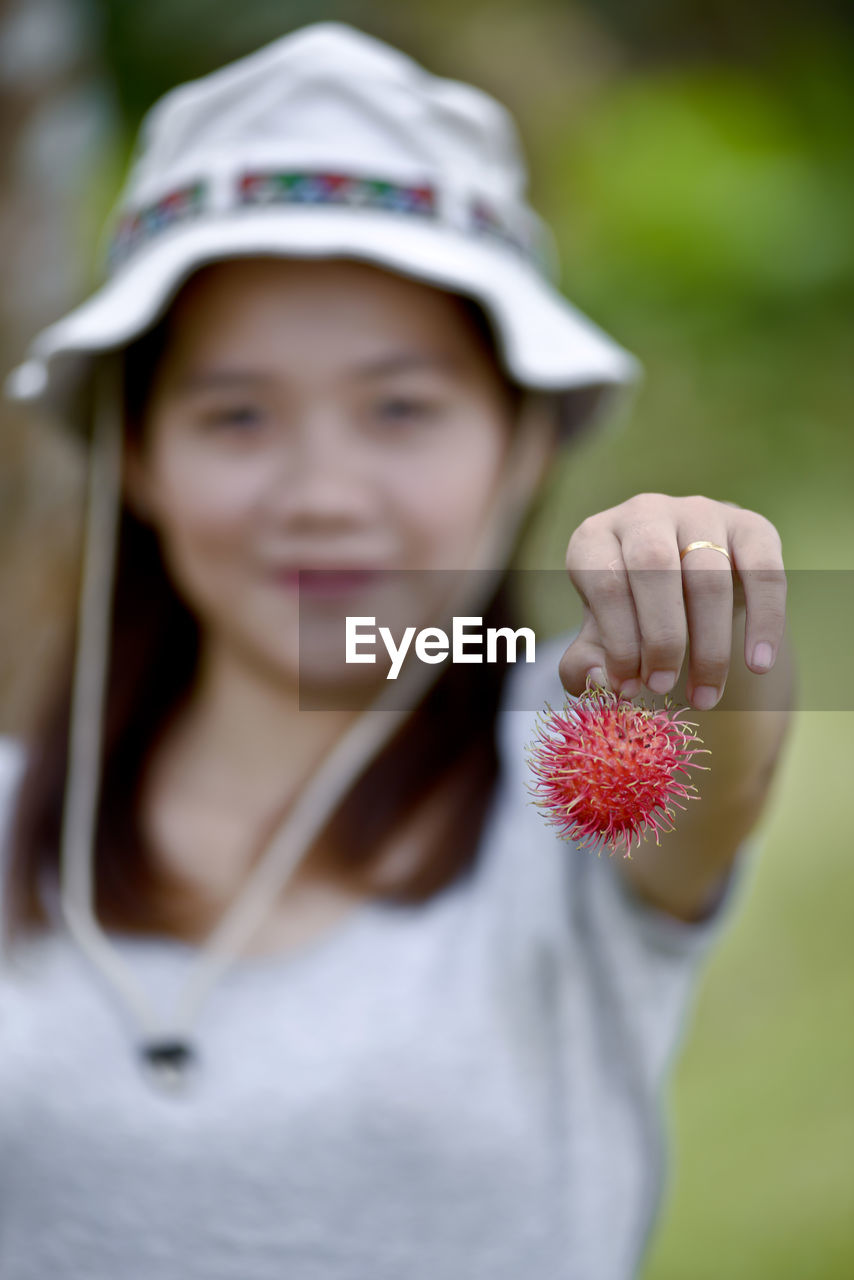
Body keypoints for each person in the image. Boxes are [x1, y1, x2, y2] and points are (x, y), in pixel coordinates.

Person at [0, 21, 795, 1280]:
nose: (321, 491)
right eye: (237, 414)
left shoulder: (561, 770)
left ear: (525, 440)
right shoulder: (11, 805)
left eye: (399, 408)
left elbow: (714, 763)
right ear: (137, 456)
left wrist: (711, 615)